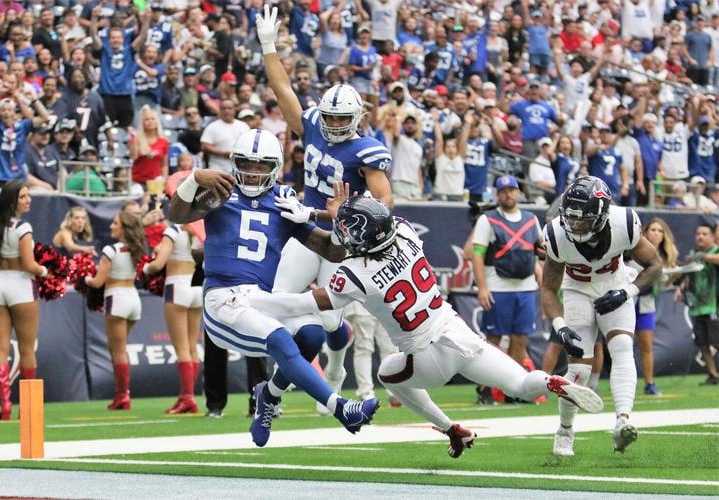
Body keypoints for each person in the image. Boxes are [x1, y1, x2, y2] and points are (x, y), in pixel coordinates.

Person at [251, 185, 603, 459]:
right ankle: (553, 381)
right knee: (522, 384)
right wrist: (330, 216)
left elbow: (306, 299)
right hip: (458, 333)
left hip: (425, 354)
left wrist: (254, 299)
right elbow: (358, 237)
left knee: (387, 374)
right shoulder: (403, 232)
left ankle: (451, 429)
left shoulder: (355, 273)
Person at [168, 128, 380, 447]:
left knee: (311, 334)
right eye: (247, 164)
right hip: (221, 301)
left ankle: (268, 395)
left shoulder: (282, 203)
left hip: (259, 299)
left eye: (261, 165)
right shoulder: (221, 193)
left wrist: (338, 223)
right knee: (281, 338)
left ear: (275, 167)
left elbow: (333, 251)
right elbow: (176, 213)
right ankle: (342, 408)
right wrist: (195, 178)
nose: (252, 173)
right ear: (235, 163)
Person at [257, 5, 393, 415]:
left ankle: (335, 370)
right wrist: (268, 46)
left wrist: (348, 210)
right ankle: (274, 392)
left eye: (341, 118)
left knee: (332, 321)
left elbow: (384, 202)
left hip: (340, 238)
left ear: (357, 118)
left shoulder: (367, 150)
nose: (333, 124)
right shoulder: (313, 123)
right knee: (277, 302)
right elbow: (284, 94)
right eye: (330, 117)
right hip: (305, 227)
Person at [541, 176, 662, 456]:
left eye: (583, 220)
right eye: (571, 218)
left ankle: (622, 422)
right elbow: (548, 288)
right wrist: (560, 326)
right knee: (578, 370)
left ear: (603, 215)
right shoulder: (556, 234)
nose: (575, 225)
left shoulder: (624, 223)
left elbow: (655, 265)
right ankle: (565, 431)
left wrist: (627, 292)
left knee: (621, 348)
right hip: (577, 291)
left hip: (615, 284)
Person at [0, 181, 49, 419]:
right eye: (23, 197)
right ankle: (27, 408)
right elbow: (30, 265)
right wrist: (46, 271)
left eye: (28, 196)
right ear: (12, 201)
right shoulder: (24, 228)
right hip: (20, 286)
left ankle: (5, 406)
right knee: (27, 349)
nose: (28, 200)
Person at [471, 175, 542, 368]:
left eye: (511, 190)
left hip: (526, 287)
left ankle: (515, 387)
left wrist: (544, 286)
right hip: (497, 288)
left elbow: (539, 251)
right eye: (502, 191)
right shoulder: (487, 219)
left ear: (518, 192)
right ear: (497, 195)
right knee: (493, 340)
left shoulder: (531, 219)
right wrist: (482, 288)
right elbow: (477, 254)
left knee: (520, 339)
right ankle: (486, 388)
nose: (507, 194)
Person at [84, 211, 148, 410]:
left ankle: (122, 396)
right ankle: (121, 394)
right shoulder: (137, 249)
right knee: (118, 349)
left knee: (117, 351)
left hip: (116, 299)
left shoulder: (111, 251)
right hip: (133, 299)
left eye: (115, 223)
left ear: (123, 228)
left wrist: (83, 278)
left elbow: (97, 282)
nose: (111, 226)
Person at [143, 223, 202, 414]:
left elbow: (158, 264)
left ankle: (188, 398)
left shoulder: (173, 230)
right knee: (193, 347)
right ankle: (187, 395)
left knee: (182, 349)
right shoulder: (200, 230)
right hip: (197, 287)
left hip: (177, 287)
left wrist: (144, 268)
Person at [630, 218, 679, 395]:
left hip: (645, 304)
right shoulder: (634, 247)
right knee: (622, 344)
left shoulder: (665, 257)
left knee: (646, 345)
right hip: (626, 301)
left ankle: (649, 383)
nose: (656, 233)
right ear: (645, 231)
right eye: (653, 230)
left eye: (660, 231)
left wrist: (672, 276)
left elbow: (662, 286)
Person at [0, 76, 50, 187]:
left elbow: (45, 117)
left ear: (14, 113)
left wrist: (34, 100)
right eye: (3, 110)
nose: (6, 112)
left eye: (9, 109)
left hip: (17, 177)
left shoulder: (23, 125)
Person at [89, 6, 150, 128]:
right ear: (109, 39)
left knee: (127, 129)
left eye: (118, 37)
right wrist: (94, 17)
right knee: (107, 128)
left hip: (125, 95)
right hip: (107, 95)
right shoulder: (104, 51)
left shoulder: (130, 51)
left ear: (123, 39)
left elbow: (142, 36)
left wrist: (147, 20)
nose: (116, 40)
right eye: (113, 37)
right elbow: (94, 35)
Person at [674, 223, 719, 385]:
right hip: (697, 307)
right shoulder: (694, 254)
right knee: (703, 343)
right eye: (698, 234)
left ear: (713, 237)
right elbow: (688, 276)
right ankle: (713, 375)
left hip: (714, 305)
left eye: (704, 234)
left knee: (716, 341)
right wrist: (681, 288)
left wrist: (701, 256)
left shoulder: (713, 252)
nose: (700, 236)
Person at [129, 105, 169, 186]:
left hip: (155, 182)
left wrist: (164, 179)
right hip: (137, 180)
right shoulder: (137, 138)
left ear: (157, 121)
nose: (150, 122)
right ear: (142, 123)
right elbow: (133, 157)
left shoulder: (163, 141)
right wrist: (134, 140)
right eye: (147, 119)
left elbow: (164, 165)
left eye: (152, 119)